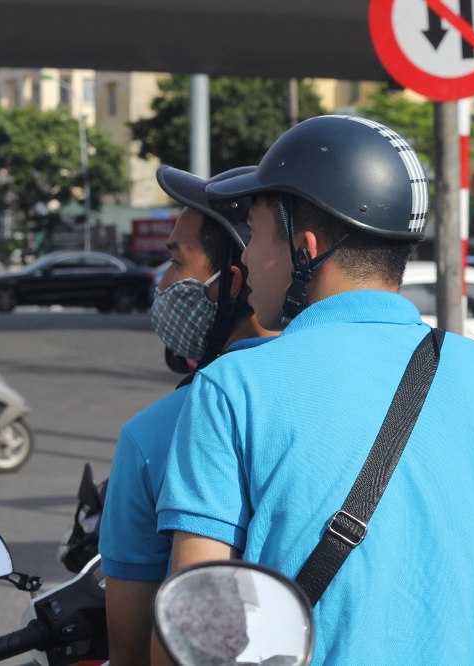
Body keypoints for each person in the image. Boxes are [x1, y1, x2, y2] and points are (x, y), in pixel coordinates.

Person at [155, 116, 474, 665]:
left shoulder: (232, 388)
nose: (247, 257)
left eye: (254, 235)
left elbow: (202, 637)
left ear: (307, 248)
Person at [99, 165, 275, 666]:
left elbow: (132, 650)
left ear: (236, 280)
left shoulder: (156, 432)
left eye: (177, 261)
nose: (164, 280)